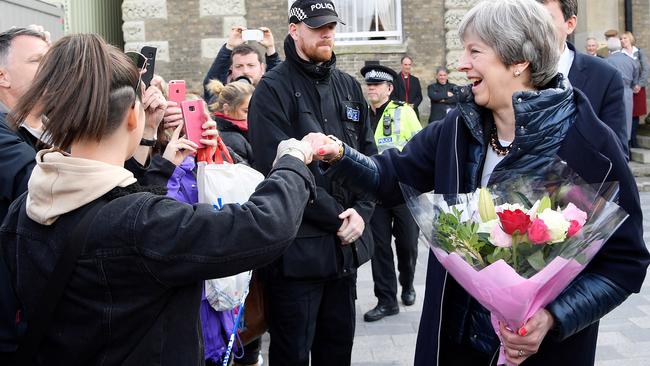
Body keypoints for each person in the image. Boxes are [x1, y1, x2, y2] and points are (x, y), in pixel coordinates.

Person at [305, 1, 649, 365]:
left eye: (475, 51)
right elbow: (391, 177)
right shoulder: (457, 128)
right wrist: (338, 153)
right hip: (454, 346)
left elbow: (624, 263)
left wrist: (552, 317)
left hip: (543, 352)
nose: (462, 64)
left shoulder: (590, 143)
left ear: (518, 60)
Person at [0, 33, 317, 365]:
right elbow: (263, 225)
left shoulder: (23, 209)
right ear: (133, 117)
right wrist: (292, 161)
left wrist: (163, 165)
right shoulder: (140, 225)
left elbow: (112, 202)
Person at [247, 0, 377, 364]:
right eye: (318, 26)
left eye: (331, 26)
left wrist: (363, 212)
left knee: (336, 354)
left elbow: (370, 160)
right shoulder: (272, 89)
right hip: (297, 257)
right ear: (294, 29)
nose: (327, 33)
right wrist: (340, 218)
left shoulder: (349, 87)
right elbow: (277, 169)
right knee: (291, 355)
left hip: (344, 255)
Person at [359, 64, 421, 322]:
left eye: (377, 85)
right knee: (380, 248)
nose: (371, 88)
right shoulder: (359, 114)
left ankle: (407, 283)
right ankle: (386, 300)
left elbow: (420, 145)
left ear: (389, 89)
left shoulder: (404, 112)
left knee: (407, 244)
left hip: (403, 189)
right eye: (368, 84)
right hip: (374, 192)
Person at [537, 0, 628, 157]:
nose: (534, 28)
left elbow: (616, 157)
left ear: (570, 24)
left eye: (545, 19)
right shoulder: (503, 73)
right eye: (528, 19)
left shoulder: (605, 77)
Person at [203, 26, 280, 100]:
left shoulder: (271, 96)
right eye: (239, 66)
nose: (245, 71)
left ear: (262, 68)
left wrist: (271, 49)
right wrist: (229, 46)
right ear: (231, 69)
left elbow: (281, 84)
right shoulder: (223, 100)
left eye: (251, 65)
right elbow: (212, 84)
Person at [606, 37, 639, 150]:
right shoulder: (630, 60)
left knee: (614, 120)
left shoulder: (606, 61)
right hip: (628, 91)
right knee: (627, 120)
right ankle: (627, 149)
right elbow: (636, 77)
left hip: (612, 92)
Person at [620, 31, 649, 148]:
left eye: (625, 38)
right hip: (625, 88)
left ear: (630, 39)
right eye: (621, 39)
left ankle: (634, 140)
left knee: (635, 114)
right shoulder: (619, 54)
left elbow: (646, 69)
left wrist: (640, 84)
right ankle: (627, 140)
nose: (623, 40)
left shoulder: (639, 52)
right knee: (626, 114)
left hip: (637, 88)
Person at [391, 55, 423, 119]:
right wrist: (402, 105)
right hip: (399, 111)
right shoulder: (394, 80)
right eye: (405, 64)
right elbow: (392, 96)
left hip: (413, 111)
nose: (407, 67)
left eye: (409, 64)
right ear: (401, 65)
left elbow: (419, 96)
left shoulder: (415, 80)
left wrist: (413, 105)